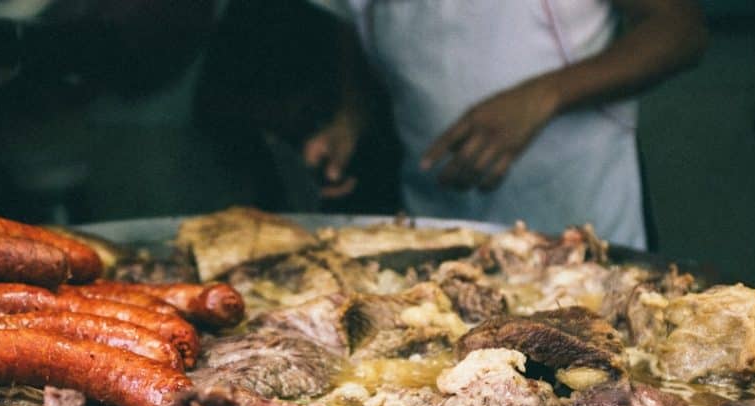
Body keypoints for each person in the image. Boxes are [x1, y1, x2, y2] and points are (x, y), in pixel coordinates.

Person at [303, 0, 708, 249]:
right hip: (435, 218)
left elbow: (679, 29)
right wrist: (350, 119)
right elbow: (354, 28)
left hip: (578, 218)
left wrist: (541, 97)